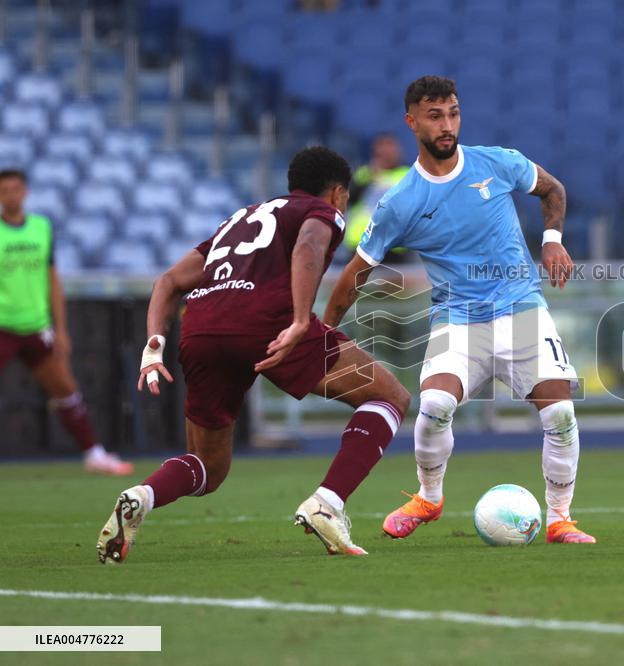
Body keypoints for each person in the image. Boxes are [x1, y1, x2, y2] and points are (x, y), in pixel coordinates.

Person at [96, 147, 410, 564]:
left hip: (201, 329)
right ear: (337, 193)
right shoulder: (322, 212)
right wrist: (301, 320)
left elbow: (169, 281)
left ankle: (144, 494)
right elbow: (308, 249)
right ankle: (327, 503)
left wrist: (154, 343)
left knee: (208, 466)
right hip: (267, 323)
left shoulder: (240, 218)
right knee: (388, 396)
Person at [324, 76, 595, 545]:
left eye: (452, 112)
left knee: (561, 416)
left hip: (521, 307)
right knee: (434, 404)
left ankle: (559, 519)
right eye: (434, 116)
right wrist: (320, 332)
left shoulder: (498, 162)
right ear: (412, 123)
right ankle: (428, 498)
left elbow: (553, 190)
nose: (447, 124)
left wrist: (552, 241)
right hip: (458, 316)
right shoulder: (401, 201)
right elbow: (355, 275)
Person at [0, 169, 132, 475]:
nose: (11, 195)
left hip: (36, 325)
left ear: (25, 192)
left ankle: (94, 454)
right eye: (5, 190)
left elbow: (52, 279)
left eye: (16, 189)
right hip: (3, 325)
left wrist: (61, 329)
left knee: (65, 390)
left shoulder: (41, 228)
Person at [343, 133, 410, 261]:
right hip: (361, 242)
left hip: (394, 246)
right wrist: (370, 177)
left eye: (389, 148)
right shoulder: (364, 173)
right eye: (381, 149)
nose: (385, 153)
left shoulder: (408, 175)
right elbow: (349, 200)